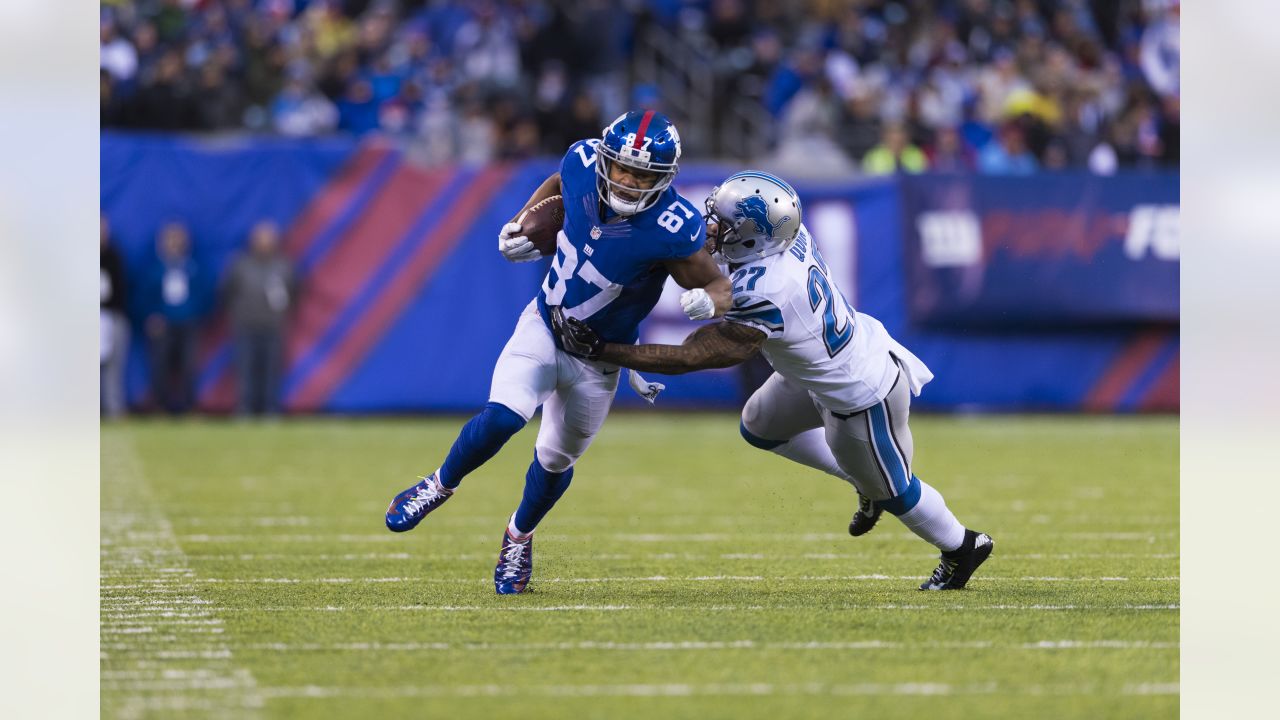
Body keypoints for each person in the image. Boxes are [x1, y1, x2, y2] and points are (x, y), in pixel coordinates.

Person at [551, 171, 994, 591]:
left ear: (751, 237)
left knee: (898, 492)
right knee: (759, 426)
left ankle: (963, 546)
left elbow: (692, 355)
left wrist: (605, 349)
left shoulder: (766, 289)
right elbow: (729, 279)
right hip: (819, 369)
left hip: (860, 393)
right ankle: (863, 481)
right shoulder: (788, 237)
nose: (710, 227)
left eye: (723, 224)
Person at [383, 110, 732, 594]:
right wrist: (522, 221)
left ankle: (518, 536)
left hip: (602, 356)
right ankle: (439, 483)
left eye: (643, 174)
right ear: (605, 160)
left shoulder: (674, 226)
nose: (628, 180)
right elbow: (557, 183)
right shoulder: (583, 161)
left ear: (665, 179)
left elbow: (719, 284)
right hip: (545, 325)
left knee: (554, 460)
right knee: (505, 416)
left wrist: (705, 301)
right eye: (622, 168)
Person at [222, 221, 297, 417]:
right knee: (245, 369)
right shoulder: (240, 264)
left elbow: (295, 292)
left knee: (272, 370)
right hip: (245, 325)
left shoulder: (283, 265)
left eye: (268, 238)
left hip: (273, 325)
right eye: (260, 238)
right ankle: (245, 408)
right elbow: (227, 292)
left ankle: (270, 408)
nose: (264, 243)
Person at [144, 222, 208, 414]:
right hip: (162, 324)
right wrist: (152, 316)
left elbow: (204, 294)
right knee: (160, 366)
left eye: (178, 239)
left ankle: (190, 406)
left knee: (189, 365)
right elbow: (145, 295)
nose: (174, 243)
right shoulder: (155, 268)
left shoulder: (193, 266)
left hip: (188, 323)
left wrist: (197, 314)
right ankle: (160, 406)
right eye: (170, 239)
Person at [100, 214, 130, 419]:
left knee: (114, 367)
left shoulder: (114, 257)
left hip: (110, 317)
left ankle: (114, 408)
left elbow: (120, 290)